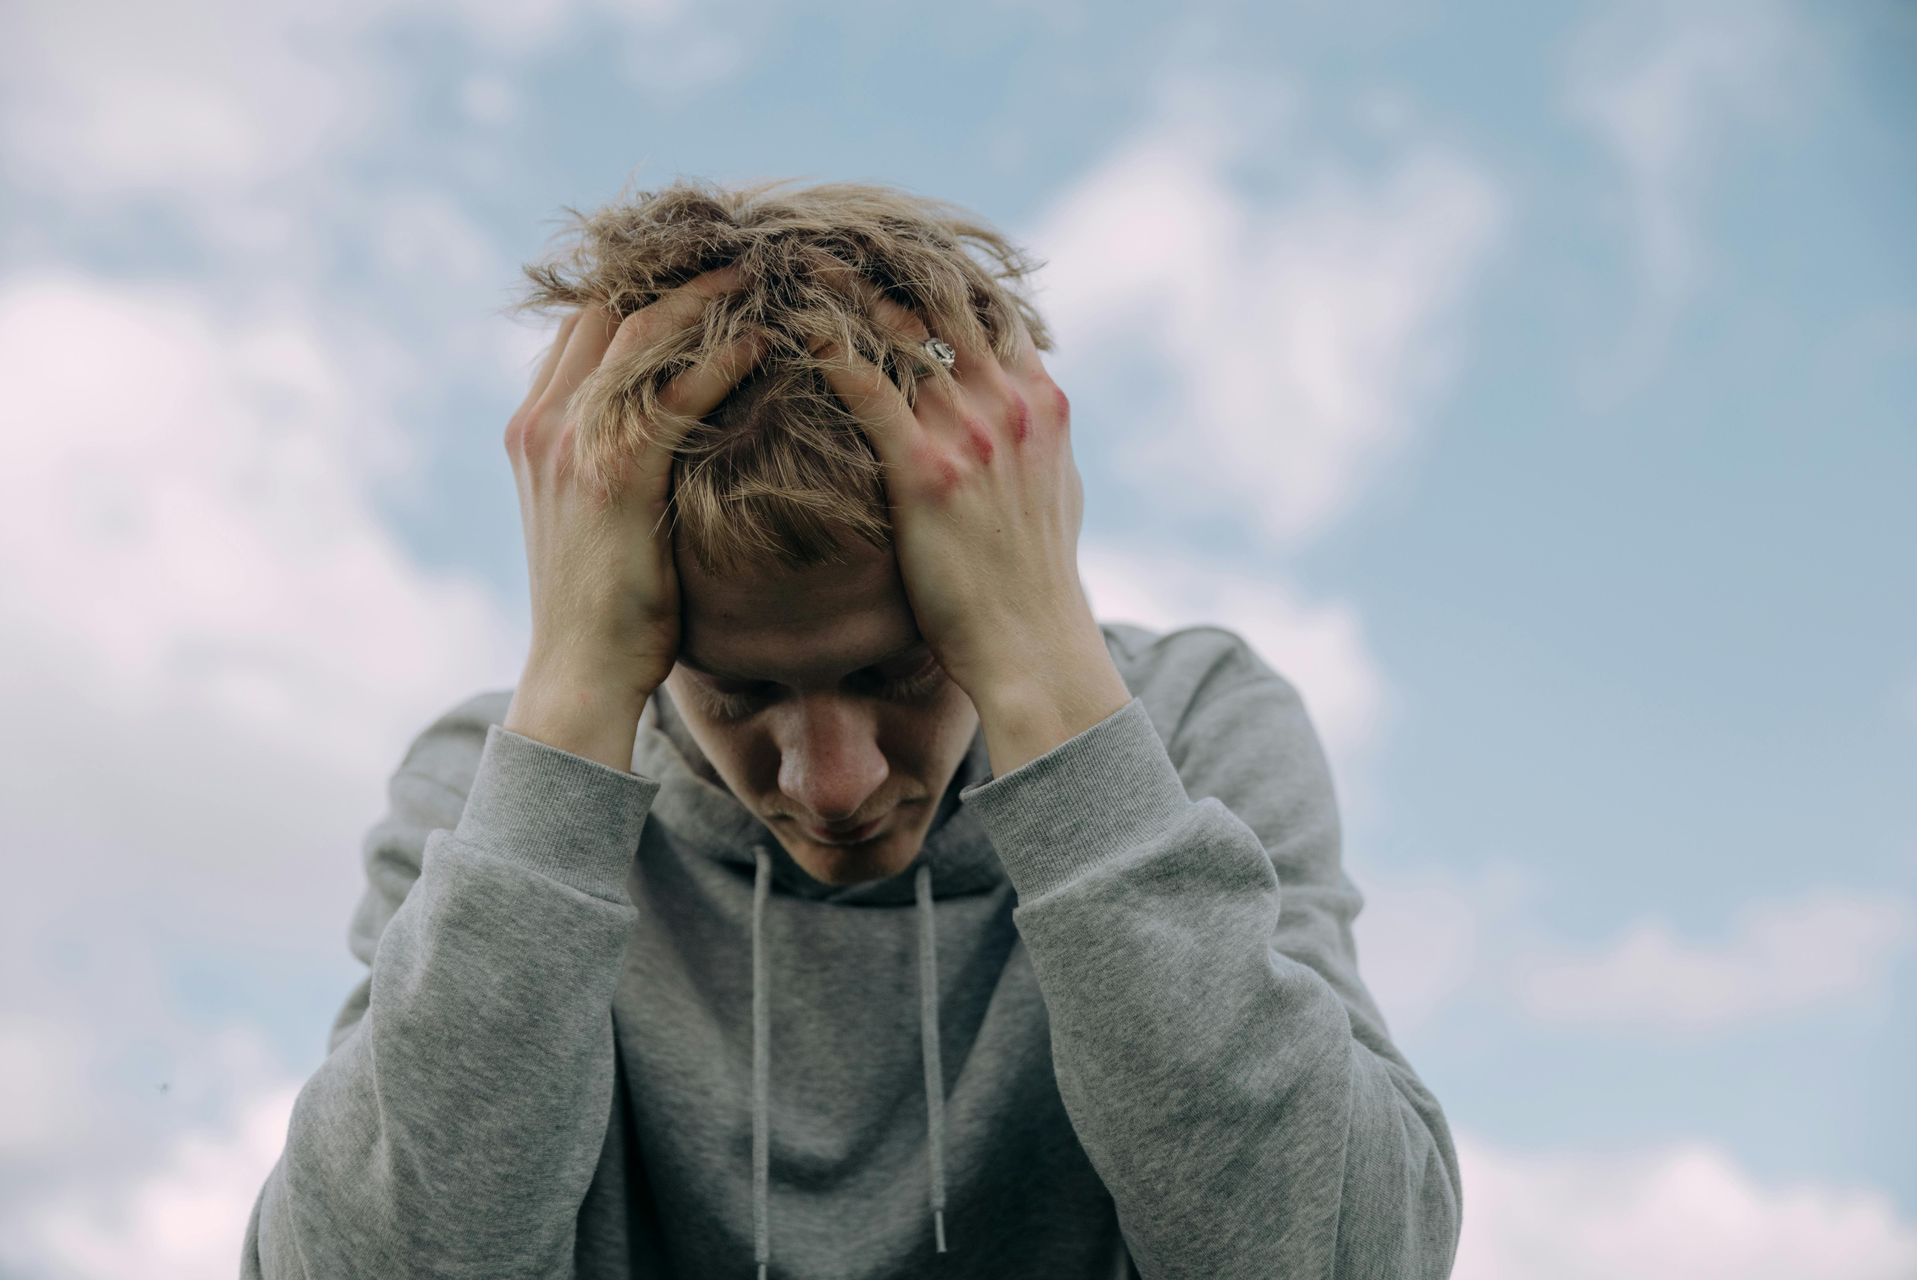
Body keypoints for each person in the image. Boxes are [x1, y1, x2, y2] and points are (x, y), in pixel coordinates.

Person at [240, 177, 1463, 1279]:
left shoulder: (1193, 726)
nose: (833, 782)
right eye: (736, 693)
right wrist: (567, 700)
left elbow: (1353, 1260)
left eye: (904, 671)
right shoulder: (493, 794)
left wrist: (1049, 683)